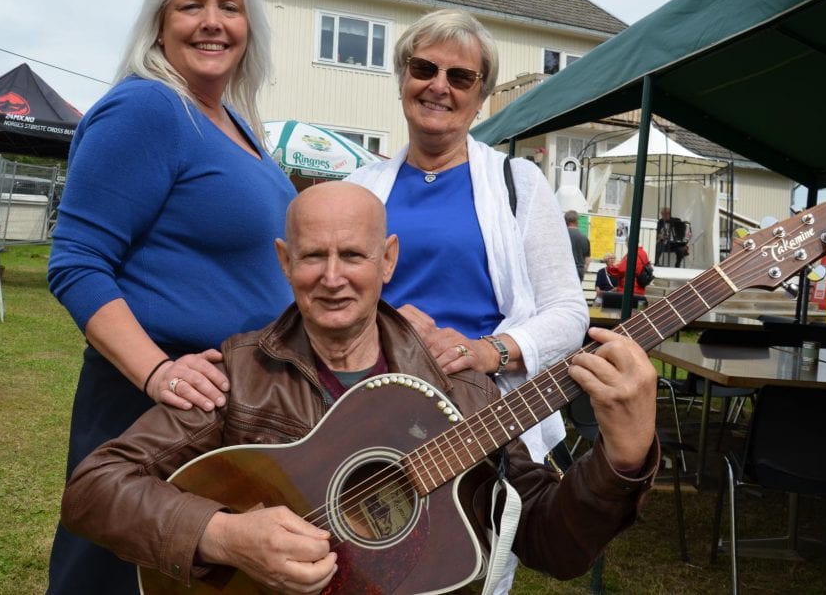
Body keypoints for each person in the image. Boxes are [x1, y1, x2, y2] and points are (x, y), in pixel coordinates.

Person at [60, 182, 660, 594]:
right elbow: (94, 489)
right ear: (283, 261)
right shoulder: (240, 374)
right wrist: (224, 536)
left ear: (388, 260)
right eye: (312, 256)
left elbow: (550, 544)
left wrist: (624, 458)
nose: (332, 277)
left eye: (353, 254)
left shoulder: (458, 383)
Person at [45, 0, 296, 593]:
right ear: (160, 21)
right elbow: (77, 262)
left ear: (250, 25)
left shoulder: (239, 123)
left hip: (231, 407)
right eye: (191, 6)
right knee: (115, 574)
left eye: (229, 7)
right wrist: (156, 371)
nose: (212, 22)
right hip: (149, 404)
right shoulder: (147, 108)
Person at [345, 9, 589, 484]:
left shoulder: (518, 182)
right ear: (402, 81)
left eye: (460, 77)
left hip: (478, 417)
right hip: (364, 407)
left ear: (480, 99)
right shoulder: (360, 188)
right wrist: (386, 325)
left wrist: (486, 351)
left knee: (469, 548)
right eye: (424, 69)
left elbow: (567, 312)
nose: (439, 86)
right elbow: (320, 298)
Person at [565, 209, 591, 281]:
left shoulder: (562, 236)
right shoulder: (584, 238)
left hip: (564, 270)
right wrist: (583, 270)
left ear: (565, 221)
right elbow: (587, 259)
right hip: (578, 271)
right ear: (577, 221)